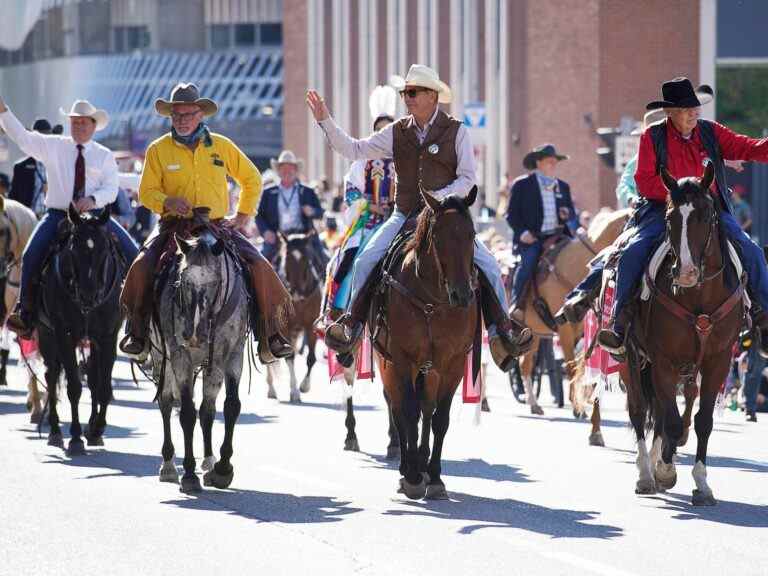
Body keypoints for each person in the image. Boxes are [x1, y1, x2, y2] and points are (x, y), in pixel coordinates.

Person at [306, 64, 533, 370]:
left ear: (432, 96)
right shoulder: (397, 131)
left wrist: (437, 200)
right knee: (364, 259)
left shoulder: (457, 131)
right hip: (404, 215)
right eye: (405, 93)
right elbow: (355, 149)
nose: (407, 98)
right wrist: (326, 121)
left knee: (490, 264)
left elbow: (468, 179)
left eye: (413, 92)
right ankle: (353, 327)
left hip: (447, 218)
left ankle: (502, 332)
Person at [593, 77, 768, 358]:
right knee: (632, 252)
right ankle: (619, 323)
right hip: (662, 209)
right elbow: (645, 180)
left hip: (708, 210)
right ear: (670, 113)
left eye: (695, 109)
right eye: (687, 110)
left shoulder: (710, 132)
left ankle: (764, 318)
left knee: (752, 251)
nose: (694, 114)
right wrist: (679, 197)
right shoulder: (651, 136)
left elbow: (748, 147)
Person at [118, 83, 293, 362]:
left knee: (260, 265)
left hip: (216, 225)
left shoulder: (222, 146)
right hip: (173, 227)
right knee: (141, 264)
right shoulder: (158, 149)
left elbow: (252, 179)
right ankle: (137, 332)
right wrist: (168, 202)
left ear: (200, 115)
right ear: (170, 116)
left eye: (188, 115)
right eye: (177, 115)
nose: (182, 120)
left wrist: (243, 214)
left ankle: (270, 334)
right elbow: (145, 193)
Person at [0, 98, 139, 337]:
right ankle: (26, 311)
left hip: (95, 217)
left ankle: (137, 318)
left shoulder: (104, 155)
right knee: (31, 253)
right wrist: (4, 111)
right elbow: (22, 137)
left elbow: (111, 187)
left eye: (84, 122)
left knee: (133, 253)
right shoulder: (54, 145)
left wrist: (93, 200)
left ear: (94, 126)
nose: (79, 126)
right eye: (75, 122)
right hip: (58, 215)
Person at [319, 86, 397, 326]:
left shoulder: (405, 158)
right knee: (346, 257)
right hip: (369, 221)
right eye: (379, 131)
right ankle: (335, 310)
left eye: (388, 130)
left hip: (401, 220)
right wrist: (370, 207)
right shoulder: (362, 159)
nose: (384, 135)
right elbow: (351, 190)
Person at [506, 144, 575, 313]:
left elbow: (571, 212)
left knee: (577, 258)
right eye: (549, 162)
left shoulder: (563, 186)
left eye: (554, 162)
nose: (553, 165)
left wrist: (567, 213)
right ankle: (517, 305)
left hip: (558, 237)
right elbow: (512, 214)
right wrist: (522, 233)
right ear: (538, 163)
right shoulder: (522, 185)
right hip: (533, 238)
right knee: (527, 264)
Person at [255, 150, 328, 276]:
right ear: (278, 170)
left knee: (324, 261)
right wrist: (266, 232)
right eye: (283, 168)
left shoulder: (307, 191)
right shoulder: (268, 192)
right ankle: (257, 295)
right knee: (258, 263)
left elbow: (320, 212)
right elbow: (259, 215)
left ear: (296, 170)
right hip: (278, 238)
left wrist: (311, 211)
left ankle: (327, 293)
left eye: (290, 168)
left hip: (304, 236)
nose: (287, 171)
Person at [9, 117, 53, 217]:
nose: (42, 142)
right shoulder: (20, 167)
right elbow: (13, 199)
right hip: (28, 220)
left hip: (51, 218)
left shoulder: (59, 164)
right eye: (38, 138)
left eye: (45, 138)